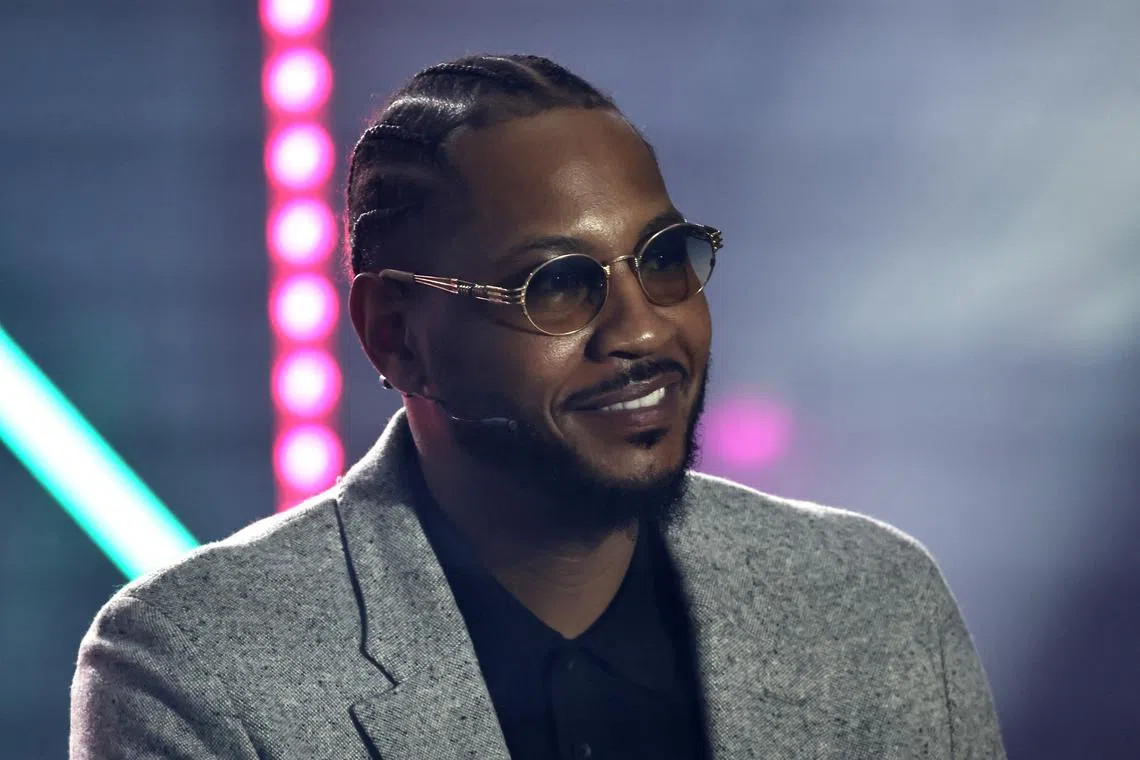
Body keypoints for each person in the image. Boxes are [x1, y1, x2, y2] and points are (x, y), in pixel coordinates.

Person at [70, 54, 1006, 759]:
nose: (644, 330)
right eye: (557, 285)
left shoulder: (876, 603)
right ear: (396, 335)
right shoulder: (193, 664)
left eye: (666, 259)